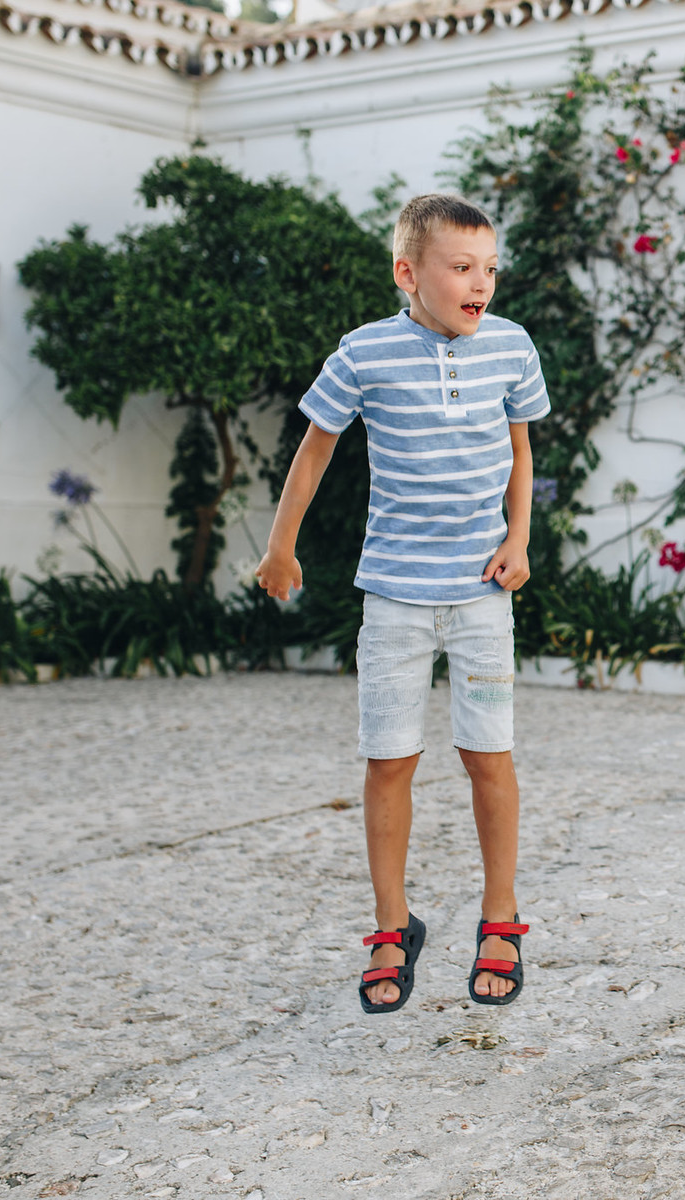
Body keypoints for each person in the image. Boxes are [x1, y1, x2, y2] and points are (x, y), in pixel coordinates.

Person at [256, 194, 547, 1013]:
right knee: (389, 759)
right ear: (408, 273)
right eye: (460, 268)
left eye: (489, 268)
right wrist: (283, 547)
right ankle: (393, 923)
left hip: (483, 595)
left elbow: (521, 452)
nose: (480, 283)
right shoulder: (364, 353)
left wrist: (517, 539)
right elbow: (314, 451)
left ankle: (501, 915)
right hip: (393, 598)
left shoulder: (512, 348)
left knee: (489, 753)